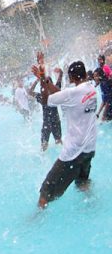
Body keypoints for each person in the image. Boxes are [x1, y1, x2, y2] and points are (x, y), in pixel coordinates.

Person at [31, 57, 98, 209]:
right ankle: (92, 207)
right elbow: (64, 94)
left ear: (72, 78)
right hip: (89, 149)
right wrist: (45, 79)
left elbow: (46, 100)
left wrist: (42, 79)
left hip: (73, 154)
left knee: (45, 192)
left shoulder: (72, 94)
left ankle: (36, 220)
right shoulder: (91, 90)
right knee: (82, 182)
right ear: (85, 75)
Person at [28, 64, 63, 151]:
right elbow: (30, 92)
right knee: (46, 144)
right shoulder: (47, 95)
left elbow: (30, 92)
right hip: (52, 122)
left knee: (56, 142)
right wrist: (37, 79)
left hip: (50, 122)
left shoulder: (45, 96)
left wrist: (39, 79)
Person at [96, 55, 112, 121]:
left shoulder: (106, 67)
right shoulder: (99, 68)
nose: (99, 61)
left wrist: (108, 79)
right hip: (103, 87)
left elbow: (111, 74)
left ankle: (102, 117)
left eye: (100, 59)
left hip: (107, 87)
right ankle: (100, 115)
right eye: (98, 59)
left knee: (107, 101)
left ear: (103, 60)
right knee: (104, 100)